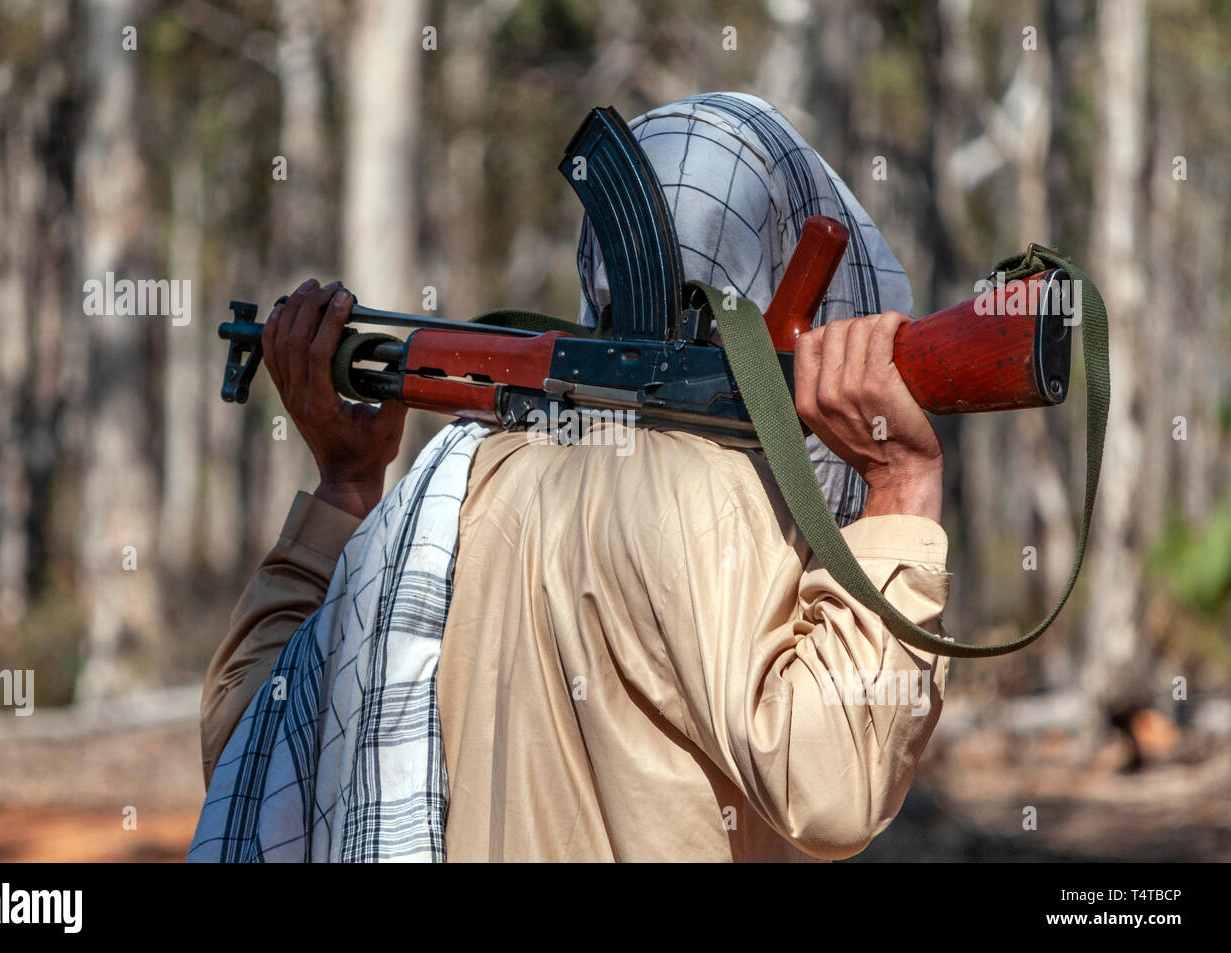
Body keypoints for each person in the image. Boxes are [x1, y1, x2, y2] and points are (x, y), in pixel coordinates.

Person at [193, 93, 951, 862]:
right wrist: (900, 489)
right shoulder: (713, 496)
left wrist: (347, 488)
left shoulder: (451, 487)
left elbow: (252, 760)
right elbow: (833, 785)